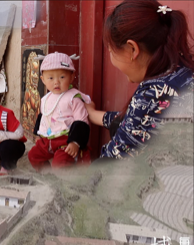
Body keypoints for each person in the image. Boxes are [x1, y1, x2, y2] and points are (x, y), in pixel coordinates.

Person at [85, 0, 194, 159]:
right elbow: (137, 120)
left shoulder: (155, 94)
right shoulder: (182, 73)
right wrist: (92, 113)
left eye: (111, 49)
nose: (111, 58)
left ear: (132, 49)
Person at [28, 52, 92, 171]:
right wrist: (38, 134)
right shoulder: (45, 99)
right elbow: (43, 115)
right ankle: (46, 173)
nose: (56, 82)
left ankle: (62, 179)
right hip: (47, 139)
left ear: (72, 77)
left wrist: (75, 142)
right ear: (43, 80)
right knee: (33, 155)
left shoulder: (74, 98)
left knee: (60, 163)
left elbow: (81, 122)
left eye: (62, 77)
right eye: (51, 78)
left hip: (65, 140)